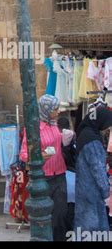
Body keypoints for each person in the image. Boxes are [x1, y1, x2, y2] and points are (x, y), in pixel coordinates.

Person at [20, 95, 68, 241]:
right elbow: (23, 154)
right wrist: (38, 156)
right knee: (45, 216)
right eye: (55, 109)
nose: (58, 111)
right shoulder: (34, 129)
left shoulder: (55, 124)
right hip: (44, 178)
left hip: (60, 174)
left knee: (61, 215)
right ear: (46, 110)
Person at [74, 106, 112, 240]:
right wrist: (106, 193)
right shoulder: (92, 140)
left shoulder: (84, 133)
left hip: (83, 189)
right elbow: (97, 169)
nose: (107, 128)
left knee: (85, 229)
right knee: (93, 230)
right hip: (92, 191)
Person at [57, 115, 76, 232]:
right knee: (71, 209)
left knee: (62, 210)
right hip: (73, 175)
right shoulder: (73, 136)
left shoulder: (55, 138)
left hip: (61, 176)